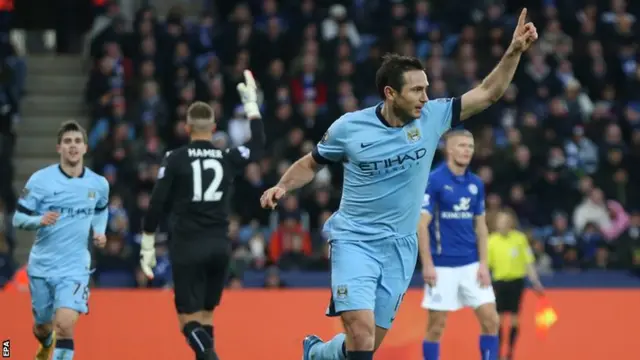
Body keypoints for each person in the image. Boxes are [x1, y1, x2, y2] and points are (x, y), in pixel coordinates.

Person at [260, 9, 538, 360]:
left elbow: (487, 93)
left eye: (427, 88)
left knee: (367, 345)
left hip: (400, 247)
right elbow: (310, 163)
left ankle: (317, 354)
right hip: (355, 240)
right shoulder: (350, 128)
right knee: (359, 333)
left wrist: (514, 51)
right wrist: (282, 186)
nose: (426, 97)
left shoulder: (433, 117)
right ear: (391, 93)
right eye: (417, 90)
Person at [139, 70, 264, 360]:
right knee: (207, 318)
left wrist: (147, 242)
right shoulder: (226, 157)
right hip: (219, 246)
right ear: (214, 126)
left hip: (187, 245)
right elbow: (258, 144)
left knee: (188, 322)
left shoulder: (175, 158)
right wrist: (251, 104)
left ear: (187, 127)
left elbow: (157, 201)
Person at [12, 120, 109, 360]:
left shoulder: (99, 184)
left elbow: (101, 209)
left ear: (85, 147)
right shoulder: (40, 181)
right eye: (67, 142)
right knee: (43, 327)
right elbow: (17, 218)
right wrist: (38, 221)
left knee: (65, 325)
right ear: (59, 148)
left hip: (75, 267)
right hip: (42, 266)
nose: (73, 146)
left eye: (77, 141)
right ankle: (45, 344)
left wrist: (99, 231)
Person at [419, 130, 498, 360]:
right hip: (442, 265)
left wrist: (484, 264)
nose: (467, 150)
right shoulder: (434, 180)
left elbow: (481, 228)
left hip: (471, 264)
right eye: (462, 145)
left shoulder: (476, 184)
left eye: (470, 146)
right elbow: (421, 225)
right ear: (449, 149)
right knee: (436, 326)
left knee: (491, 320)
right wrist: (427, 264)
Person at [488, 209, 543, 360]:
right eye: (500, 221)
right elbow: (486, 265)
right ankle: (498, 353)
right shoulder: (491, 240)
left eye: (506, 221)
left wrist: (535, 281)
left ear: (511, 223)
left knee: (514, 318)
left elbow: (528, 262)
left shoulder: (519, 239)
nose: (503, 224)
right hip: (499, 283)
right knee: (497, 319)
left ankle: (510, 352)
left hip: (516, 283)